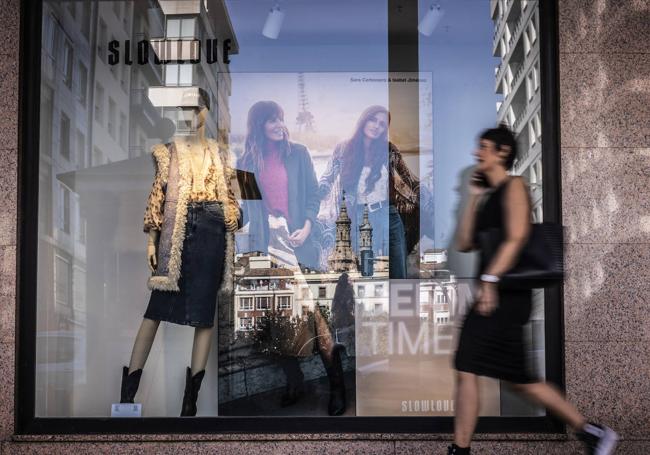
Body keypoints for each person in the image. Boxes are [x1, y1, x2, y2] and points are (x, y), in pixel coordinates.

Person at [450, 125, 618, 455]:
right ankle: (593, 433)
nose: (476, 152)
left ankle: (460, 449)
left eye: (483, 147)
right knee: (513, 378)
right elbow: (465, 242)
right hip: (493, 295)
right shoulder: (489, 197)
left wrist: (490, 280)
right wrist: (472, 197)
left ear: (502, 152)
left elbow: (517, 237)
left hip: (504, 295)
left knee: (472, 367)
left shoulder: (515, 187)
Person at [318, 105, 419, 278]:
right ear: (364, 120)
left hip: (389, 216)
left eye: (382, 124)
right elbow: (326, 180)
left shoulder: (389, 150)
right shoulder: (343, 149)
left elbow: (411, 181)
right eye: (373, 120)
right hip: (358, 218)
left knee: (398, 274)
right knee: (364, 275)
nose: (376, 126)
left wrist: (431, 201)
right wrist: (310, 200)